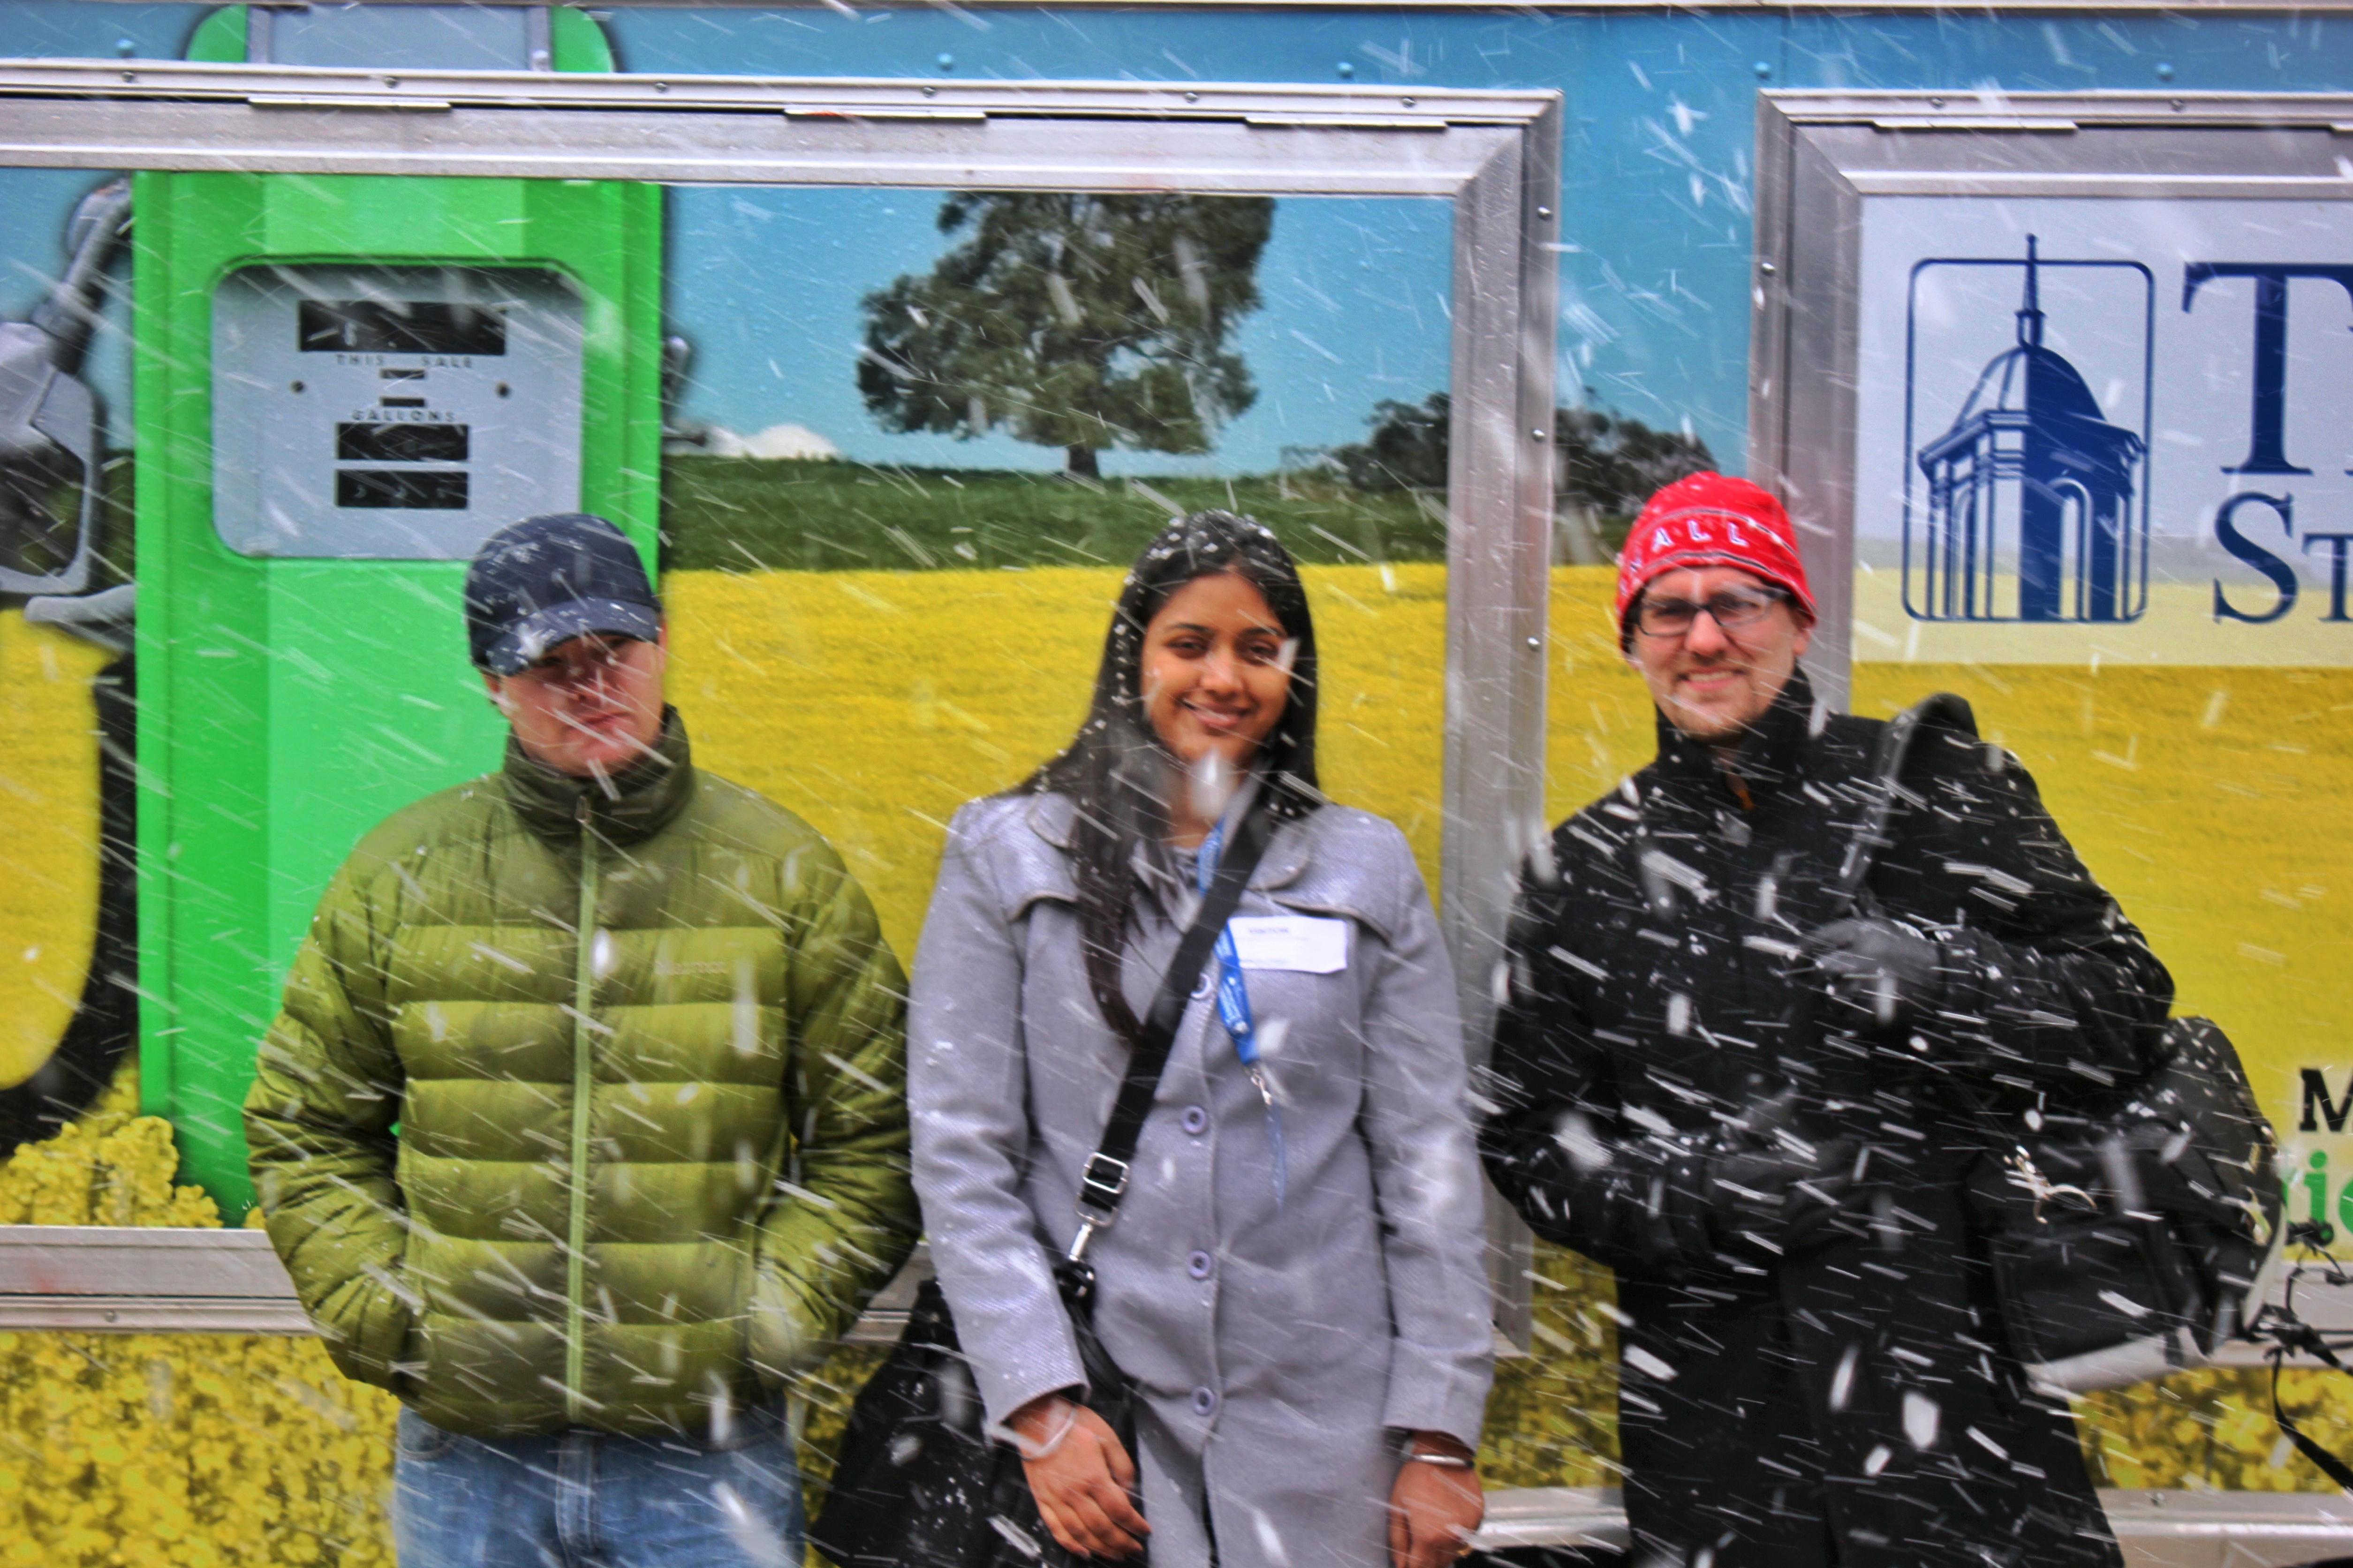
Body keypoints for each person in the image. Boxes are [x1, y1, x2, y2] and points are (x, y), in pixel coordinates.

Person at [1479, 473, 2173, 1568]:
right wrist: (1695, 1192)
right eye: (1670, 609)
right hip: (1720, 1444)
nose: (1704, 637)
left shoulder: (1942, 792)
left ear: (1799, 620)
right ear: (1633, 642)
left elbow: (2125, 1006)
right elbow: (1528, 1138)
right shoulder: (1583, 871)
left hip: (1964, 1408)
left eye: (1739, 600)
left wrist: (1949, 977)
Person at [243, 512, 917, 1568]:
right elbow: (304, 1124)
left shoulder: (784, 873)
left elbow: (874, 1137)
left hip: (706, 1457)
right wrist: (396, 1313)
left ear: (659, 646)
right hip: (470, 1456)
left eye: (613, 652)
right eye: (548, 662)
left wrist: (765, 1320)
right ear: (491, 683)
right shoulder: (401, 875)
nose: (589, 684)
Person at [908, 511, 1492, 1568]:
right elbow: (962, 1157)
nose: (1223, 677)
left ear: (1291, 675)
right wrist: (1040, 1404)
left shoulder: (1362, 864)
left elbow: (1429, 1164)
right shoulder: (1007, 852)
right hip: (1103, 1438)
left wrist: (1441, 1431)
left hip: (1326, 1439)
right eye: (1189, 645)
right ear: (1134, 655)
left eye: (1258, 649)